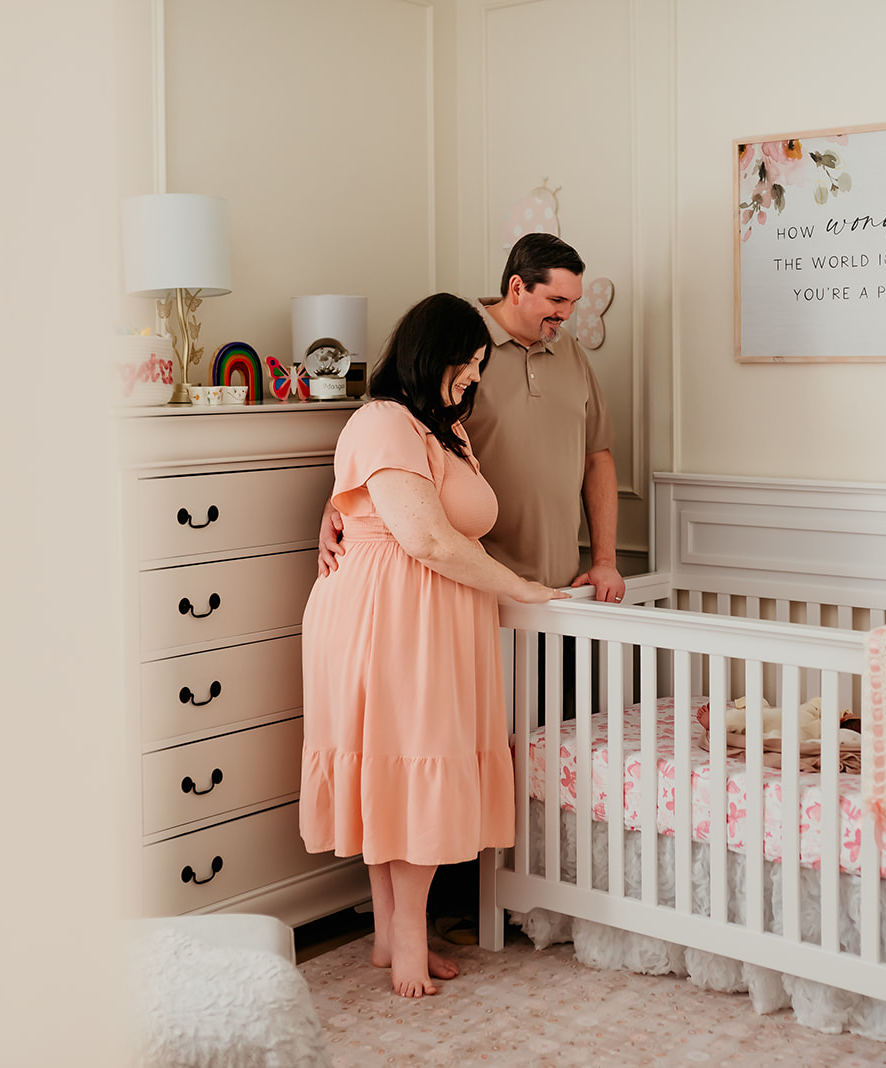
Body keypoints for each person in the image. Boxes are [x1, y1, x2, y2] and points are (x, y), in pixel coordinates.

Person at [299, 293, 569, 999]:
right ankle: (409, 943)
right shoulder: (383, 420)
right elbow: (422, 537)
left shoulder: (440, 431)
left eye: (479, 365)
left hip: (429, 615)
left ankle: (391, 933)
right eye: (467, 364)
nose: (474, 378)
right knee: (408, 764)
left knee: (403, 765)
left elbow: (423, 519)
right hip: (389, 618)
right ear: (432, 356)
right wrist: (521, 586)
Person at [319, 233, 625, 603]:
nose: (566, 314)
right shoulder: (455, 350)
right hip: (474, 583)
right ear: (517, 287)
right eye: (557, 299)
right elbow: (386, 440)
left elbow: (597, 456)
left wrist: (605, 560)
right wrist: (337, 508)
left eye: (573, 302)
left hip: (562, 585)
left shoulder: (571, 353)